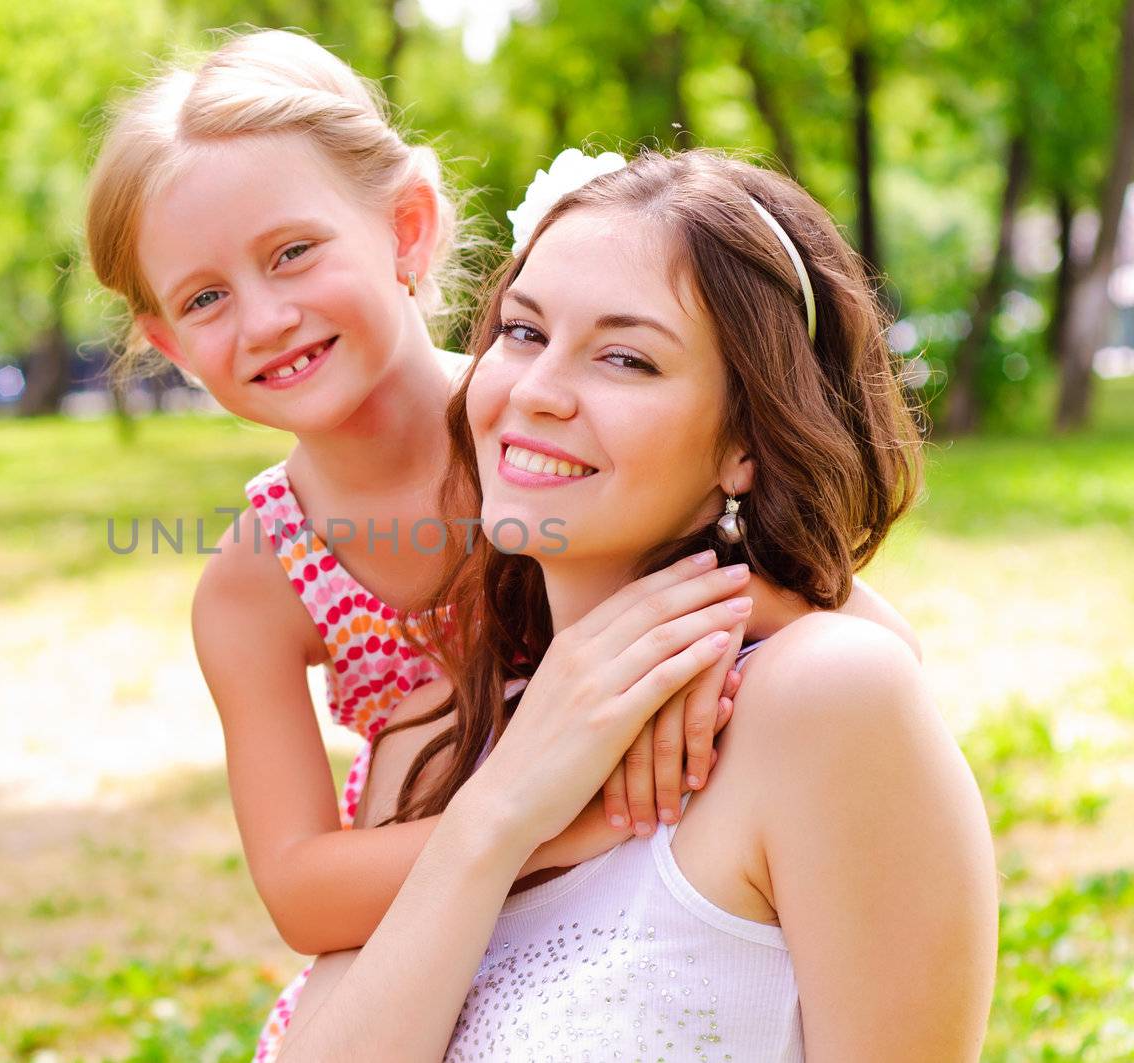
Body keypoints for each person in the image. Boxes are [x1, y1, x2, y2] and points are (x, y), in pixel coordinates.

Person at [84, 31, 919, 1059]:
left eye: (292, 252)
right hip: (429, 906)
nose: (263, 318)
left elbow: (860, 641)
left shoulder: (535, 434)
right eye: (205, 298)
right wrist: (566, 808)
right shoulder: (258, 581)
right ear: (168, 341)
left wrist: (691, 649)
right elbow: (300, 888)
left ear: (407, 229)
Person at [279, 147, 997, 1061]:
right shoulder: (433, 735)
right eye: (523, 332)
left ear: (745, 442)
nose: (535, 392)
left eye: (625, 358)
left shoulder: (825, 697)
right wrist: (498, 815)